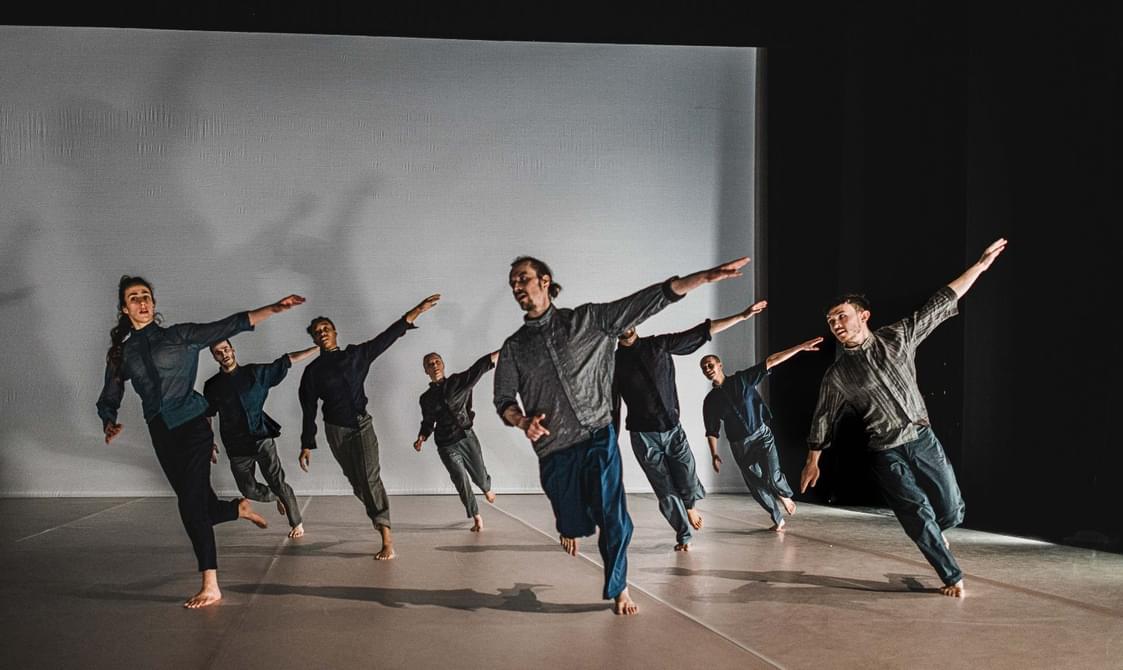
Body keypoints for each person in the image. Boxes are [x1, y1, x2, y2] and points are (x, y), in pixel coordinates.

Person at [494, 255, 750, 615]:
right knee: (573, 522)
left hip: (598, 437)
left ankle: (619, 589)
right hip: (555, 450)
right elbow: (503, 398)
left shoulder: (589, 320)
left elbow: (648, 300)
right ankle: (569, 522)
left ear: (546, 280)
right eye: (513, 284)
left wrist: (703, 278)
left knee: (614, 518)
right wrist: (521, 421)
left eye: (522, 278)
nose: (517, 287)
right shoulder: (514, 347)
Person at [800, 238, 1008, 598]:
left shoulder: (897, 337)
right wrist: (812, 460)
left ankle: (936, 534)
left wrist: (980, 266)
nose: (836, 324)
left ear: (863, 315)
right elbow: (823, 417)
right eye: (831, 320)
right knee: (916, 512)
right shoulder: (837, 375)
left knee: (952, 508)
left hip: (922, 439)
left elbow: (939, 304)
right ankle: (950, 575)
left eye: (842, 316)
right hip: (886, 452)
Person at [96, 275, 305, 608]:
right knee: (201, 504)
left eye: (147, 295)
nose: (142, 301)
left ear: (154, 302)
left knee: (189, 506)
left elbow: (228, 325)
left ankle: (211, 583)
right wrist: (108, 421)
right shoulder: (122, 353)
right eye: (134, 297)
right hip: (161, 432)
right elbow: (111, 392)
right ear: (124, 308)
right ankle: (237, 508)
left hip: (193, 425)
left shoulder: (180, 336)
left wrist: (274, 309)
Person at [612, 299, 769, 551]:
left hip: (673, 429)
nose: (625, 326)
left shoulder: (658, 345)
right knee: (664, 488)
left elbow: (700, 332)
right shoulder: (613, 364)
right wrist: (609, 444)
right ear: (613, 328)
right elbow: (613, 406)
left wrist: (741, 315)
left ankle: (691, 505)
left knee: (686, 474)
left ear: (636, 322)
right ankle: (683, 534)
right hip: (643, 435)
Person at [297, 295, 440, 560]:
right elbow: (308, 409)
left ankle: (386, 537)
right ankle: (378, 515)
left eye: (326, 328)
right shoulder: (313, 371)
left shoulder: (356, 355)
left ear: (335, 332)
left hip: (361, 426)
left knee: (370, 476)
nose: (323, 333)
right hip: (335, 430)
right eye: (317, 332)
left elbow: (387, 337)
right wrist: (307, 443)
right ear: (314, 340)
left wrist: (417, 310)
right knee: (357, 483)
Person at [699, 332, 824, 531]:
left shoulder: (741, 380)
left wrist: (799, 347)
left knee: (772, 476)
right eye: (704, 368)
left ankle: (784, 494)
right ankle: (777, 519)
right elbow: (712, 430)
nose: (708, 369)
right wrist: (714, 454)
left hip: (761, 435)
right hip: (740, 446)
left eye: (710, 365)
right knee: (756, 486)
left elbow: (771, 361)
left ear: (720, 365)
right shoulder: (710, 402)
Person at [204, 338, 319, 539]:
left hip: (262, 438)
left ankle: (296, 522)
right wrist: (209, 442)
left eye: (225, 349)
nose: (224, 354)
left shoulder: (255, 373)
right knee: (248, 489)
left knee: (277, 480)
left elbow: (287, 361)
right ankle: (277, 496)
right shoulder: (212, 386)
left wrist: (317, 348)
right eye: (218, 352)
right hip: (235, 446)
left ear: (232, 349)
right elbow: (208, 415)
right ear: (214, 357)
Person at [414, 351, 499, 532]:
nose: (434, 365)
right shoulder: (426, 398)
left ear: (443, 365)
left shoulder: (458, 382)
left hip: (465, 436)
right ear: (425, 370)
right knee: (460, 479)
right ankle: (476, 516)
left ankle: (486, 487)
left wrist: (505, 350)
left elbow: (480, 366)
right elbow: (428, 422)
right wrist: (422, 437)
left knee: (479, 474)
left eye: (437, 361)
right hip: (445, 444)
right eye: (430, 364)